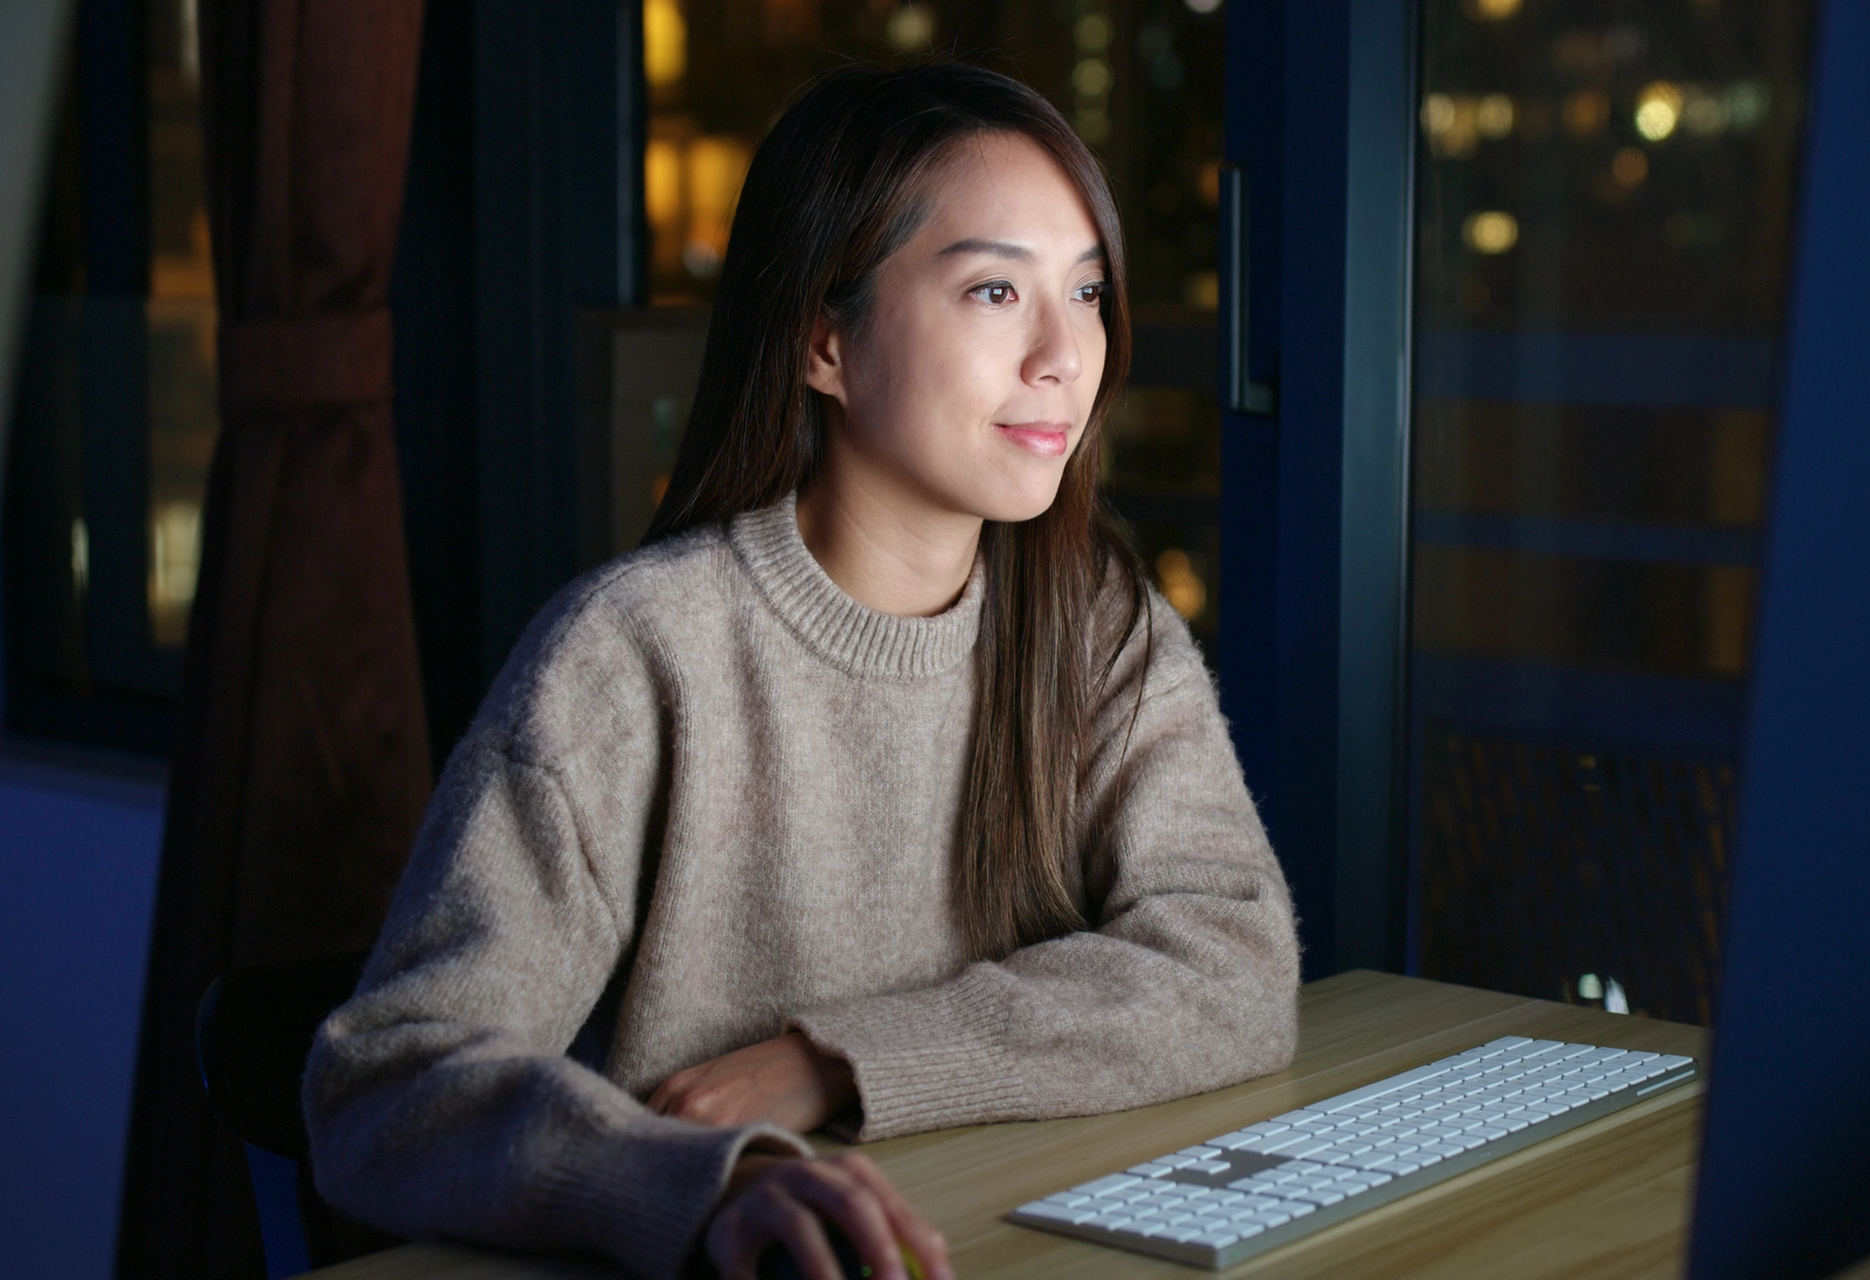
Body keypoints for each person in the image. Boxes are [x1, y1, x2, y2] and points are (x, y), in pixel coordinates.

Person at [303, 63, 1300, 1280]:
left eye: (1087, 290)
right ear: (825, 341)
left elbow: (1236, 963)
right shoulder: (632, 655)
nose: (1065, 354)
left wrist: (836, 1059)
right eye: (996, 288)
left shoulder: (1096, 623)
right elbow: (386, 1081)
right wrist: (706, 1180)